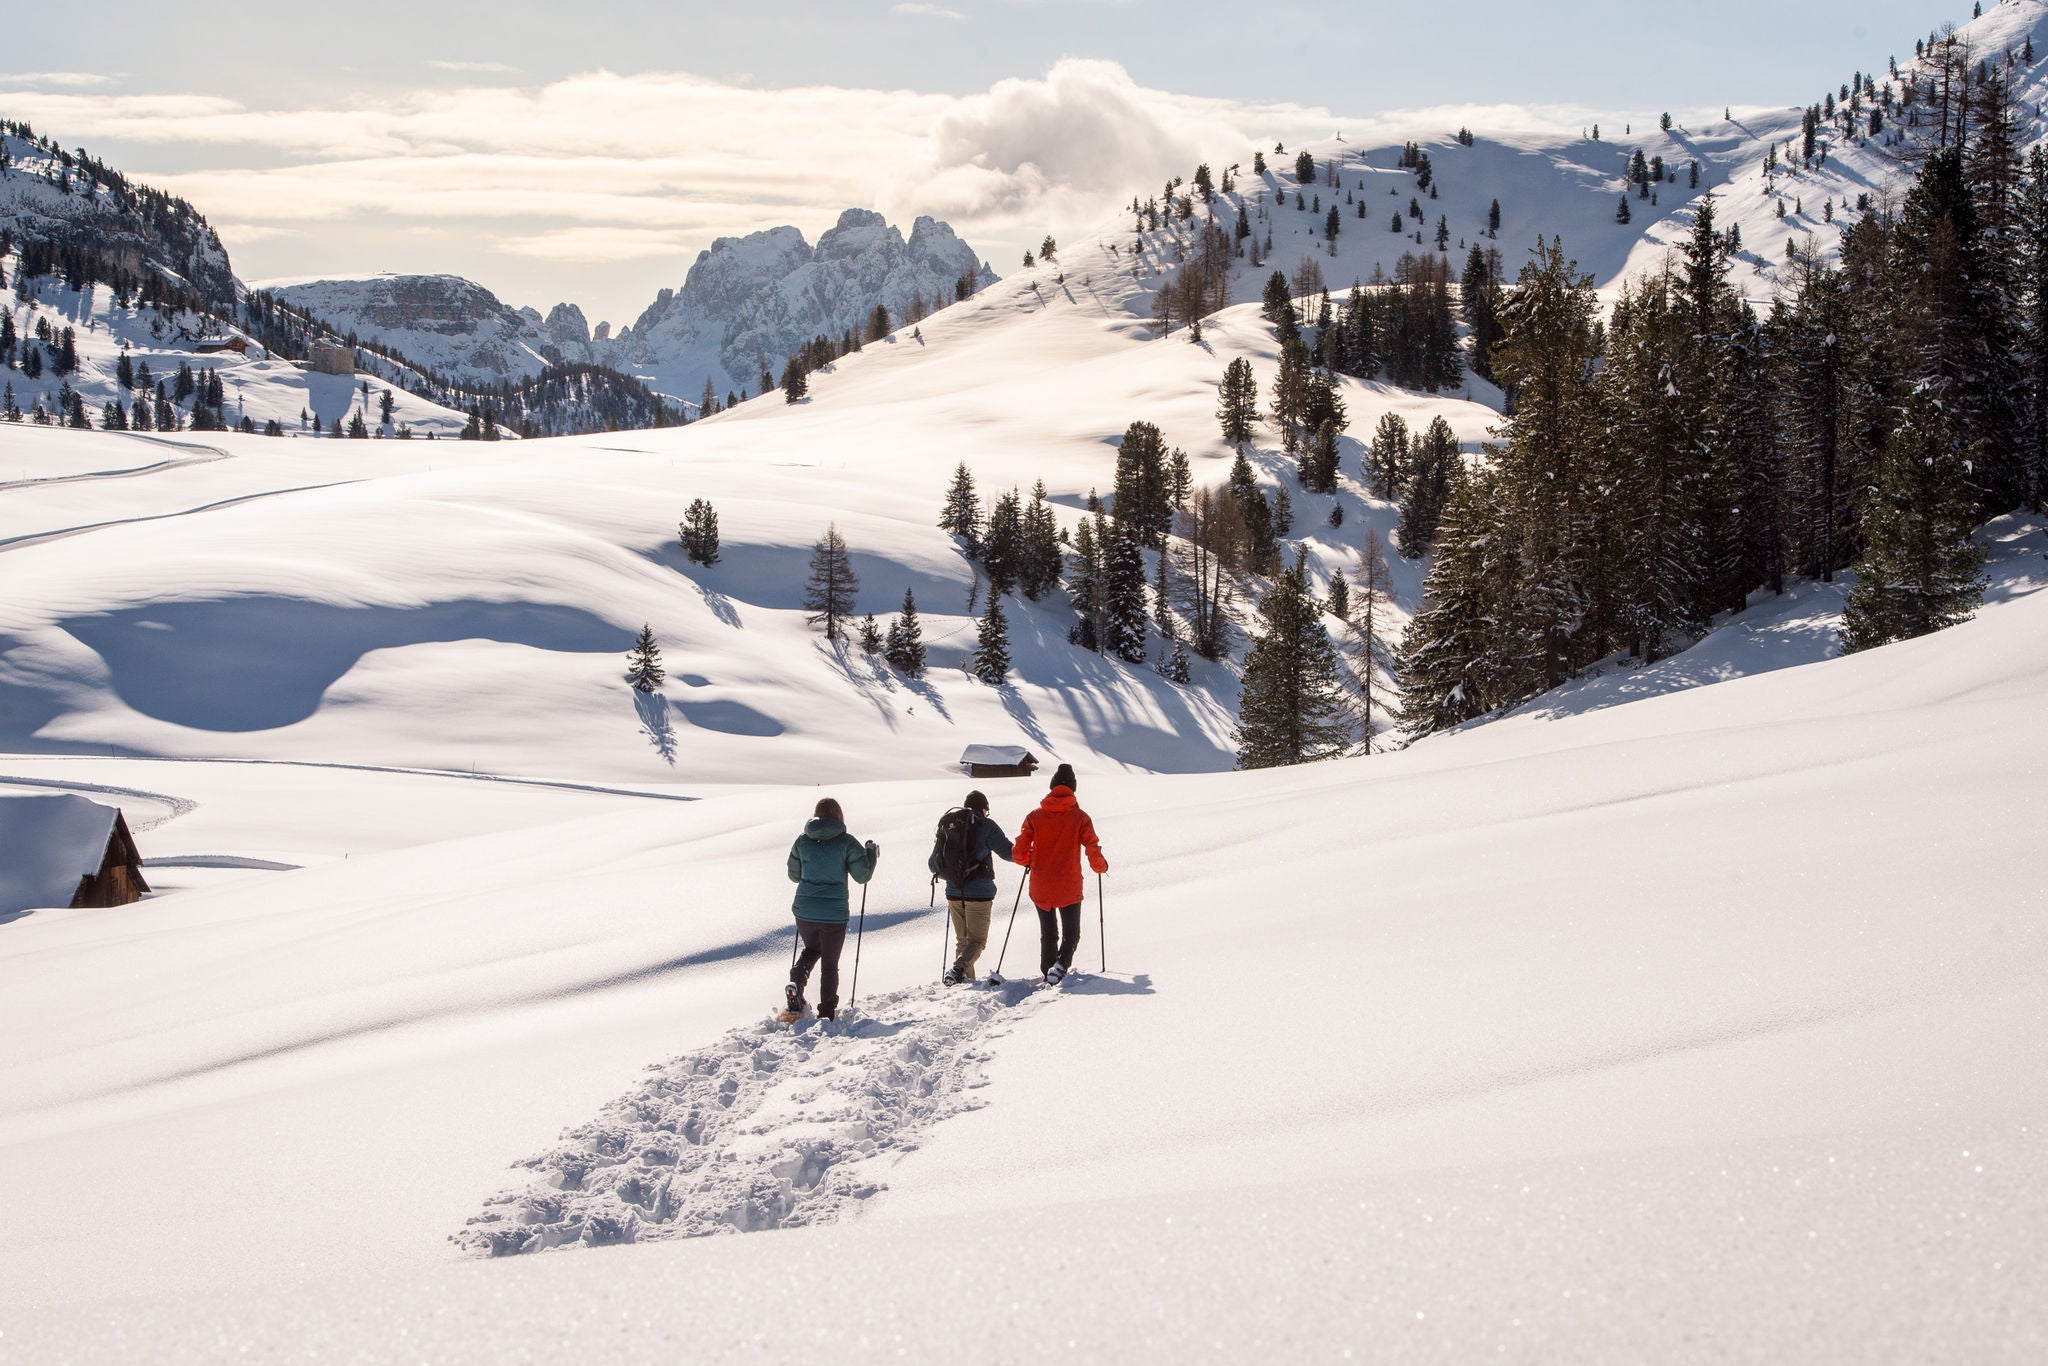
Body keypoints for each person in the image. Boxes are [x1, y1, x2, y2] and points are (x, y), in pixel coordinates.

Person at [1011, 763, 1108, 985]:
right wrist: (1101, 867)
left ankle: (1048, 971)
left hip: (1041, 885)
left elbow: (1018, 854)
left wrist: (1031, 861)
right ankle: (1060, 966)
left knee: (1048, 933)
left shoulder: (1034, 817)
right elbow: (1092, 847)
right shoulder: (1080, 817)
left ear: (1052, 787)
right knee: (1071, 933)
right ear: (1073, 789)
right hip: (1068, 885)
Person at [784, 796, 878, 1020]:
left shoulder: (802, 840)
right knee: (829, 964)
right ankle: (826, 1012)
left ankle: (796, 979)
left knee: (812, 948)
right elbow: (862, 875)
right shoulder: (846, 841)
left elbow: (793, 875)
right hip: (833, 915)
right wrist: (871, 854)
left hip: (804, 911)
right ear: (838, 816)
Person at [928, 789, 1016, 985]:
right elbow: (1008, 852)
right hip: (979, 894)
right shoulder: (985, 825)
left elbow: (932, 864)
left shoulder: (949, 825)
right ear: (983, 809)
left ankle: (964, 984)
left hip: (953, 892)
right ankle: (958, 970)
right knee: (977, 941)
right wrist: (1031, 855)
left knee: (963, 941)